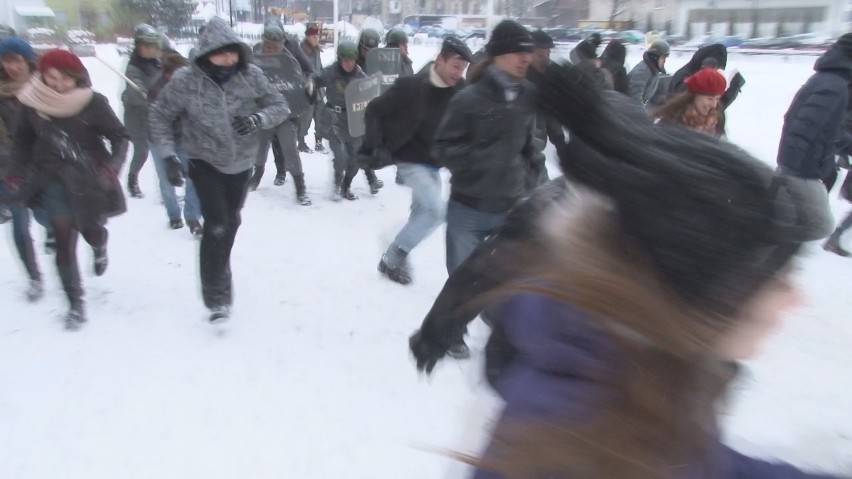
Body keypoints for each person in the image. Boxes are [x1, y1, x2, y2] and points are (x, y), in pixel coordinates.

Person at [464, 61, 845, 479]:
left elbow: (696, 461)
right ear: (701, 292)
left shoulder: (643, 371)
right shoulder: (579, 440)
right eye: (777, 278)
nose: (795, 298)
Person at [409, 89, 652, 367]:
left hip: (612, 372)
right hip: (537, 357)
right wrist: (438, 332)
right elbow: (484, 268)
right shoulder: (550, 207)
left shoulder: (656, 217)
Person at [149, 17, 288, 323]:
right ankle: (217, 296)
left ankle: (219, 264)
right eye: (220, 53)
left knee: (232, 221)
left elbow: (280, 105)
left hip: (240, 161)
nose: (227, 59)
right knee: (216, 224)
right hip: (204, 159)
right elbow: (160, 114)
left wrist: (257, 119)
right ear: (205, 53)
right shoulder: (186, 80)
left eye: (232, 52)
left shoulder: (251, 75)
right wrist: (168, 155)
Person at [11, 49, 128, 329]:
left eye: (66, 78)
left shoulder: (93, 102)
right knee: (63, 240)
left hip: (87, 179)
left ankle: (99, 244)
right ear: (42, 75)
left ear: (77, 77)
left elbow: (119, 136)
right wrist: (15, 173)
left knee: (91, 231)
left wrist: (111, 167)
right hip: (51, 179)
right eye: (52, 77)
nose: (59, 84)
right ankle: (75, 303)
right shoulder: (31, 103)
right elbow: (22, 142)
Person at [363, 36, 472, 285]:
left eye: (463, 68)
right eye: (456, 66)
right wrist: (376, 145)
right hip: (409, 160)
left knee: (423, 212)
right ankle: (391, 258)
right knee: (436, 211)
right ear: (440, 60)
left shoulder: (461, 92)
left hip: (435, 163)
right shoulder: (411, 86)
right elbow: (374, 110)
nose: (459, 72)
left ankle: (399, 244)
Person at [434, 19, 537, 275]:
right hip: (469, 211)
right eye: (518, 51)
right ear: (499, 56)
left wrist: (532, 183)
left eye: (528, 51)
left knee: (505, 291)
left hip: (511, 208)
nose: (526, 58)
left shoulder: (529, 96)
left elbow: (530, 148)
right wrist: (480, 158)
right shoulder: (468, 99)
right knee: (461, 288)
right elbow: (443, 147)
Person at [775, 34, 852, 242]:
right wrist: (793, 169)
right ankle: (766, 246)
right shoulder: (835, 85)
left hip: (804, 167)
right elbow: (805, 125)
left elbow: (828, 127)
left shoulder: (830, 80)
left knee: (790, 219)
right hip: (802, 169)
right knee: (821, 225)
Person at [0, 36, 52, 300]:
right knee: (19, 225)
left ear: (27, 60)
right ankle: (34, 277)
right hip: (8, 168)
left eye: (16, 60)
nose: (12, 66)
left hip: (41, 164)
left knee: (46, 216)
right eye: (6, 60)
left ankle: (53, 233)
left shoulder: (43, 85)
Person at [248, 25, 312, 205]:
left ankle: (301, 188)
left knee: (290, 150)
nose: (272, 50)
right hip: (262, 110)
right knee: (260, 148)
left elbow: (306, 73)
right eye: (268, 46)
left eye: (275, 46)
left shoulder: (291, 57)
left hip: (286, 112)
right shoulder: (253, 57)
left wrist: (307, 84)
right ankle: (257, 175)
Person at [147, 50, 203, 236]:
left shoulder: (191, 86)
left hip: (184, 137)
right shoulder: (157, 89)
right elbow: (159, 120)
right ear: (168, 73)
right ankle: (173, 215)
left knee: (193, 176)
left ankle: (192, 216)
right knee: (167, 179)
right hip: (160, 139)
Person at [314, 40, 371, 201]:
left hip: (353, 120)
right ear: (340, 59)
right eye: (345, 60)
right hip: (333, 119)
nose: (349, 64)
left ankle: (346, 185)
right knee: (340, 158)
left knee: (355, 158)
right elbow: (316, 78)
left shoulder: (360, 75)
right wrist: (310, 83)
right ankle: (337, 185)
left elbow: (369, 94)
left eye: (351, 60)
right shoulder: (331, 72)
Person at [122, 23, 162, 199]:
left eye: (153, 45)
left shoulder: (156, 63)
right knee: (142, 152)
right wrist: (144, 93)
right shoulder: (133, 68)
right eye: (147, 46)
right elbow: (135, 93)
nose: (151, 49)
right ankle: (132, 180)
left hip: (155, 116)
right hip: (138, 118)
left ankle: (166, 189)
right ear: (138, 46)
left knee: (162, 152)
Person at [653, 67, 727, 136]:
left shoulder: (717, 118)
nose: (714, 105)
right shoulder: (672, 121)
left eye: (717, 99)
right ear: (695, 95)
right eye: (710, 98)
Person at [299, 25, 326, 154]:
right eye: (314, 36)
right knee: (306, 116)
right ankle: (301, 142)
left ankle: (319, 141)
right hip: (308, 87)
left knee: (320, 115)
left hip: (319, 88)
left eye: (318, 36)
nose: (317, 39)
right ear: (308, 37)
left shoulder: (316, 50)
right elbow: (300, 71)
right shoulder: (302, 51)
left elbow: (319, 67)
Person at [627, 39, 670, 107]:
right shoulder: (641, 72)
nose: (664, 61)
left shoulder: (653, 71)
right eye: (663, 58)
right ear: (655, 57)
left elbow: (650, 95)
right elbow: (635, 99)